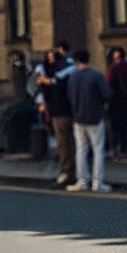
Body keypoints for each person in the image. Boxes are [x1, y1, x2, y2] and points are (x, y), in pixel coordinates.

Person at [66, 49, 112, 193]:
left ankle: (82, 181)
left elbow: (69, 96)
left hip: (78, 117)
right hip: (95, 116)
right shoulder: (96, 75)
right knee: (98, 150)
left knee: (81, 149)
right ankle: (97, 182)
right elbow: (107, 94)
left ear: (76, 61)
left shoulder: (72, 77)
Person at [37, 40, 77, 186]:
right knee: (65, 143)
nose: (50, 59)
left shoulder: (65, 70)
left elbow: (57, 83)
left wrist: (46, 82)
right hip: (58, 110)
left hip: (62, 111)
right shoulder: (56, 70)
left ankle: (68, 172)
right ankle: (68, 171)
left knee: (64, 144)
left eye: (53, 55)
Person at [106, 46, 127, 158]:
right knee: (124, 125)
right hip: (126, 99)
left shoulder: (114, 68)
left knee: (115, 126)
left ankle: (117, 149)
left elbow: (108, 83)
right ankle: (124, 148)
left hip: (116, 100)